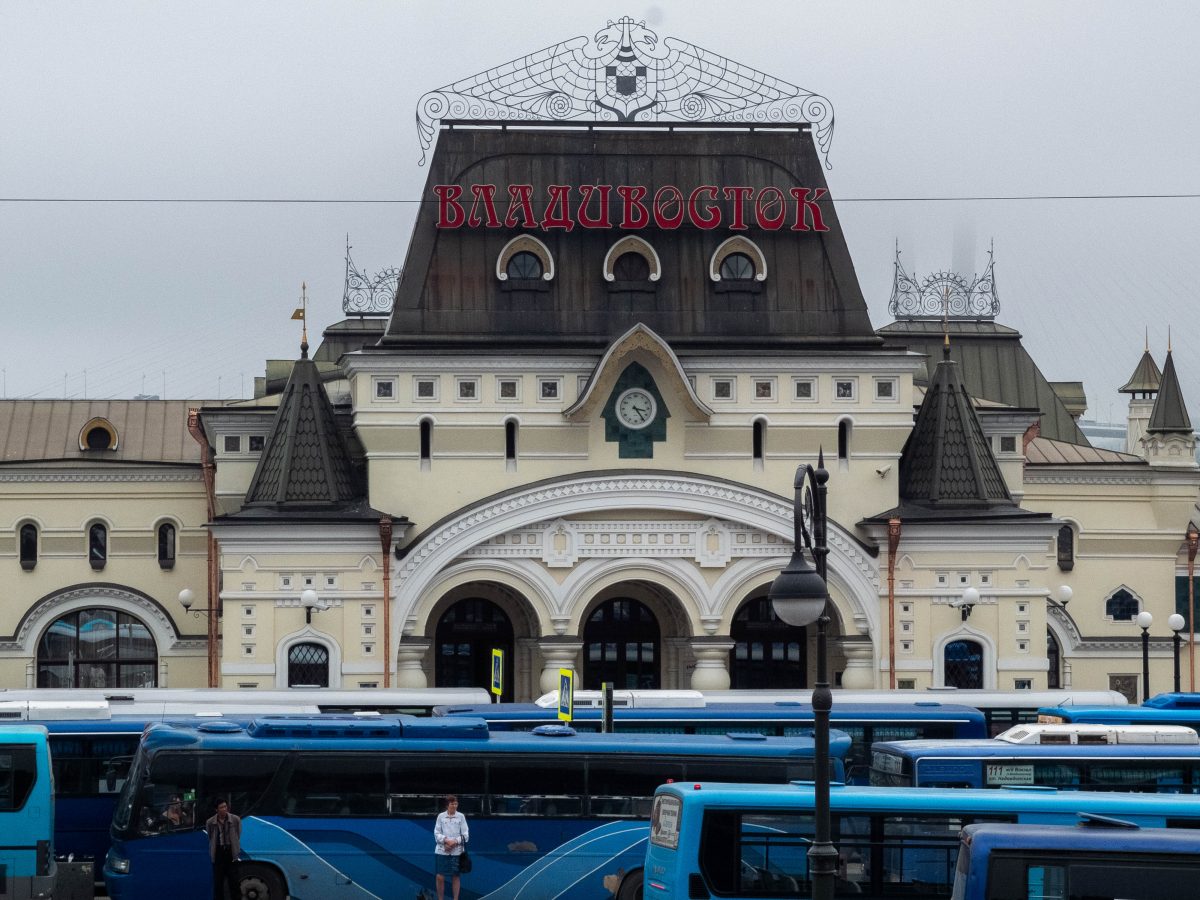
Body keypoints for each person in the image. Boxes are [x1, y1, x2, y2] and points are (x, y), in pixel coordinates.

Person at [434, 794, 469, 900]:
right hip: (442, 851)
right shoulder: (440, 816)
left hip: (457, 851)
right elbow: (436, 833)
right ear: (447, 805)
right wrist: (446, 841)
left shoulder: (461, 816)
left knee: (455, 876)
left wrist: (454, 842)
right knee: (440, 876)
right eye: (452, 804)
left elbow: (466, 835)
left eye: (456, 803)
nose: (454, 806)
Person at [205, 798, 241, 900]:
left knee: (234, 882)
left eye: (225, 807)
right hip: (218, 853)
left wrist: (233, 846)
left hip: (231, 852)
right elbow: (210, 836)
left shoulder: (235, 819)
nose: (224, 809)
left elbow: (238, 834)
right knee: (218, 883)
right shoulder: (210, 822)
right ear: (216, 809)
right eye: (221, 807)